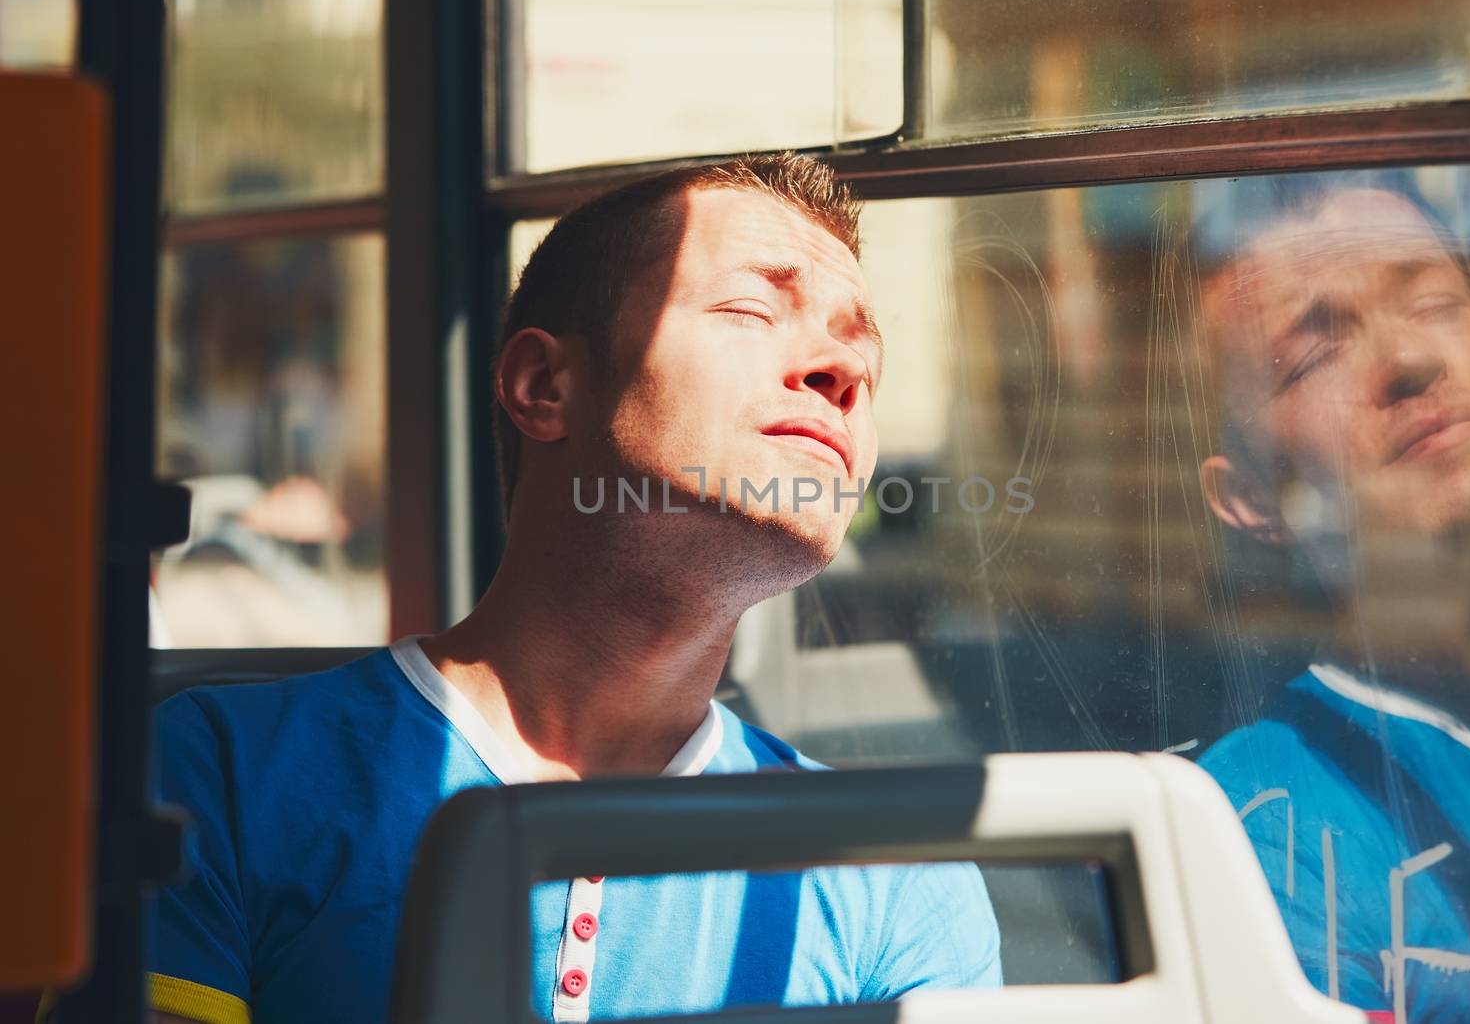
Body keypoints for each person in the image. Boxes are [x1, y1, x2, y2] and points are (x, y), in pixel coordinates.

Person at [141, 154, 1002, 1024]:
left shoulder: (900, 877)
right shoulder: (213, 773)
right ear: (543, 386)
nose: (838, 372)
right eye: (751, 308)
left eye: (863, 357)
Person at [1188, 172, 1470, 1023]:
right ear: (1251, 498)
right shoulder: (1269, 826)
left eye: (1436, 303)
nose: (1413, 361)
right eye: (1317, 353)